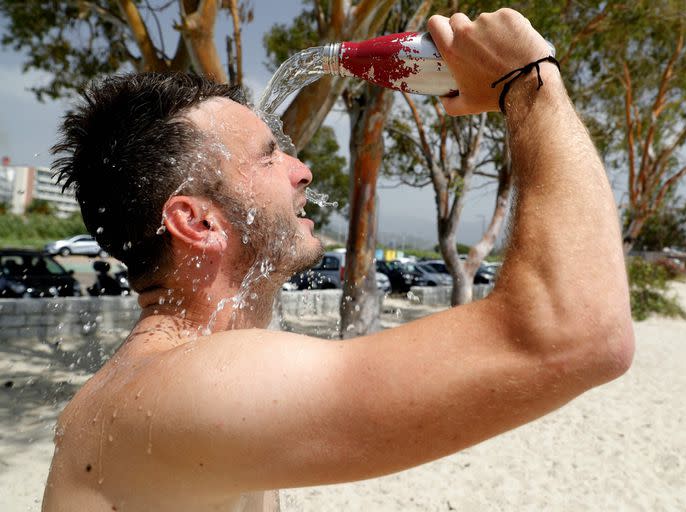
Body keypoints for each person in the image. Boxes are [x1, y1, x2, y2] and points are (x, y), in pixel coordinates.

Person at [43, 9, 634, 512]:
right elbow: (576, 332)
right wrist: (528, 85)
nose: (302, 170)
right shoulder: (187, 385)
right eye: (269, 156)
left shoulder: (160, 381)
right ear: (197, 222)